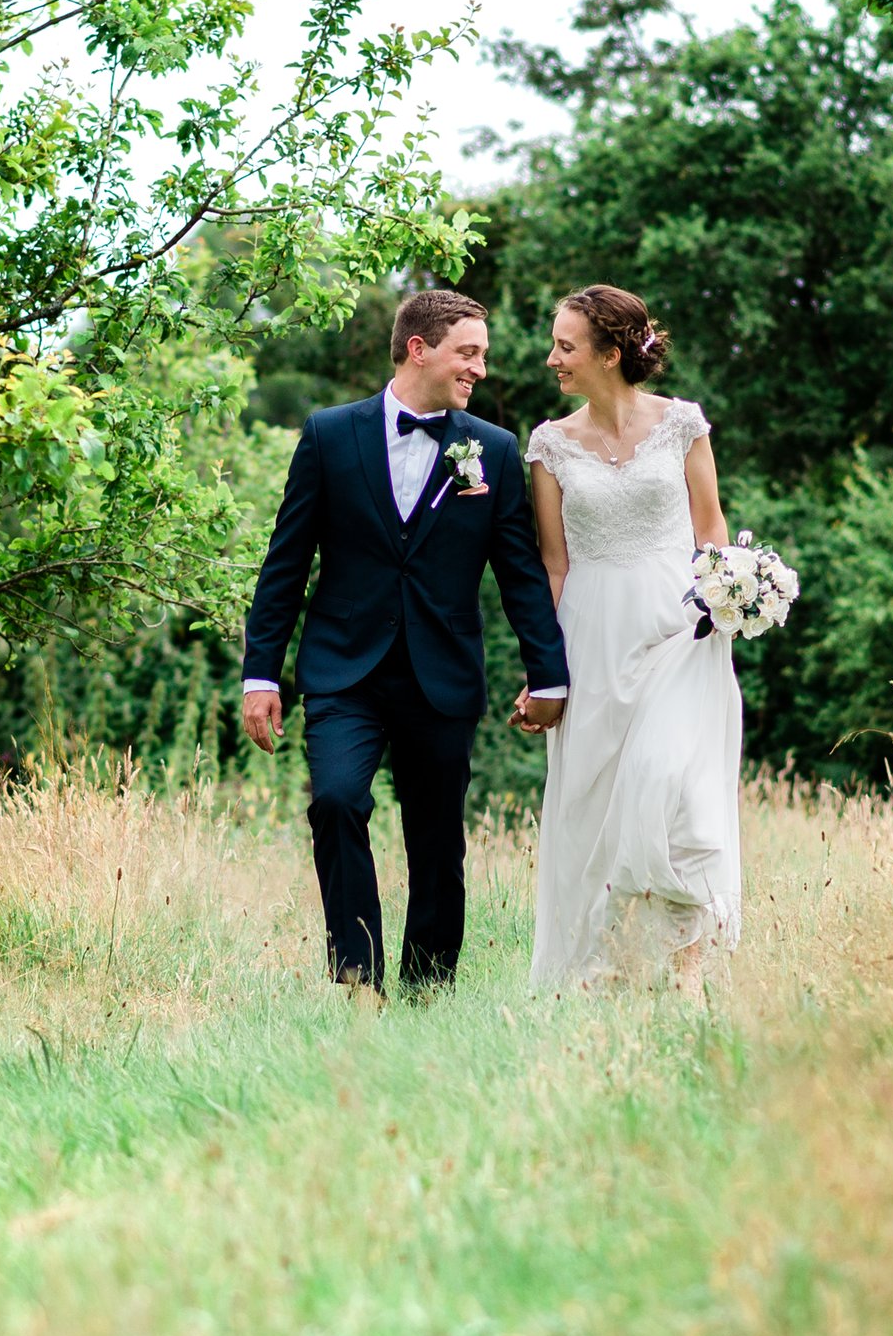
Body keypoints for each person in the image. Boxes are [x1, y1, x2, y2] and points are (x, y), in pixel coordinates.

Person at [240, 290, 570, 995]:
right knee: (335, 800)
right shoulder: (329, 434)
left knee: (436, 839)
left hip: (442, 674)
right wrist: (259, 675)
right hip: (342, 671)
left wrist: (550, 676)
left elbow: (519, 574)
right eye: (468, 352)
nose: (480, 367)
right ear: (418, 348)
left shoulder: (492, 450)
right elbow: (286, 563)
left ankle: (428, 988)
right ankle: (359, 979)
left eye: (482, 354)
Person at [523, 284, 743, 991]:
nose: (553, 357)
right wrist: (544, 672)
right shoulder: (550, 445)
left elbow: (710, 528)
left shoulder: (683, 424)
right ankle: (596, 969)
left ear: (610, 353)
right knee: (594, 806)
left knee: (673, 787)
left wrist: (728, 599)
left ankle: (686, 968)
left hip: (680, 629)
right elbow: (554, 565)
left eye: (566, 345)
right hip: (592, 634)